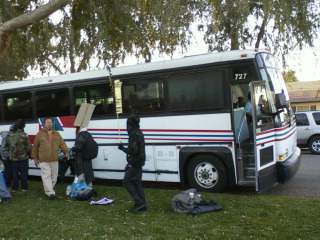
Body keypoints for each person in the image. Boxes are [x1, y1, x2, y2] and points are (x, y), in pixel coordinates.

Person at [32, 118, 68, 199]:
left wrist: (66, 152)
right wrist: (35, 157)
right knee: (46, 176)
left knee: (54, 177)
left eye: (51, 122)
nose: (49, 124)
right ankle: (50, 193)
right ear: (44, 124)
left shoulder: (57, 134)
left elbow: (62, 144)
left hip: (54, 159)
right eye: (47, 122)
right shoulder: (39, 134)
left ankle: (50, 189)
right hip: (43, 159)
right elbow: (35, 147)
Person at [118, 115, 147, 213]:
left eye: (127, 125)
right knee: (137, 182)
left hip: (135, 162)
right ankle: (142, 204)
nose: (127, 127)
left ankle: (139, 203)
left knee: (126, 181)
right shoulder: (139, 132)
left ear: (130, 125)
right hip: (139, 161)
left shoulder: (133, 134)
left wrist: (123, 149)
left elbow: (133, 151)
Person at [3, 119, 31, 192]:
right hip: (23, 158)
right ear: (23, 126)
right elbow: (28, 147)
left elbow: (5, 147)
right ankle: (24, 188)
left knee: (14, 174)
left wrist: (8, 154)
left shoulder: (9, 135)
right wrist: (29, 154)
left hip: (13, 158)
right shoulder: (24, 135)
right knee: (24, 174)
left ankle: (15, 188)